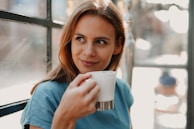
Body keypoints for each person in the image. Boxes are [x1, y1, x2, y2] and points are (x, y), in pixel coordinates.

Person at [21, 0, 134, 129]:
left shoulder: (122, 90)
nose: (88, 52)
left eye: (101, 42)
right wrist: (65, 115)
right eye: (80, 39)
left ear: (118, 45)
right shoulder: (47, 95)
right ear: (70, 41)